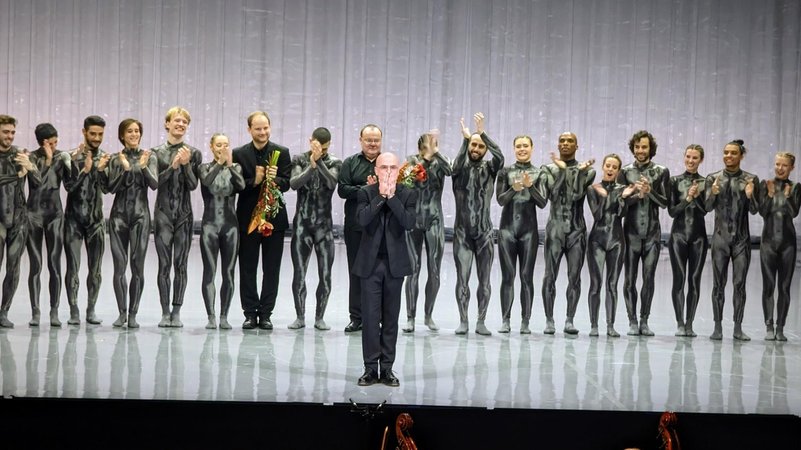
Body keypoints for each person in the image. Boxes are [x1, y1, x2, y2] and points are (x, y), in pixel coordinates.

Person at [352, 152, 416, 387]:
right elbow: (361, 221)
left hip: (394, 265)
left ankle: (387, 368)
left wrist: (392, 199)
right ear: (376, 170)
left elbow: (409, 222)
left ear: (398, 171)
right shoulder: (365, 193)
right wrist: (380, 197)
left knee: (390, 319)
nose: (388, 171)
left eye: (392, 167)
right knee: (369, 318)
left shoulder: (407, 193)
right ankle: (370, 368)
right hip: (370, 265)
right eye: (383, 167)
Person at [233, 111, 291, 330]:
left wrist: (273, 178)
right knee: (247, 267)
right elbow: (235, 185)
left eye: (265, 127)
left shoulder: (281, 152)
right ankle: (249, 313)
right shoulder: (239, 154)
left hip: (274, 219)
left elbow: (286, 184)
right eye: (258, 128)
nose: (263, 132)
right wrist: (254, 180)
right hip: (248, 218)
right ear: (249, 130)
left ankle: (266, 313)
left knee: (271, 268)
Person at [452, 113, 504, 336]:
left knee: (484, 280)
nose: (476, 148)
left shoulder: (490, 168)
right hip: (462, 233)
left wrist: (482, 132)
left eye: (480, 146)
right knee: (462, 278)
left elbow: (500, 157)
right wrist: (465, 139)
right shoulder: (459, 169)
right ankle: (463, 320)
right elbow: (455, 165)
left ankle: (481, 320)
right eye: (473, 144)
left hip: (484, 233)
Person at [151, 106, 202, 327]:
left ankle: (177, 311)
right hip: (162, 214)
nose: (180, 125)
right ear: (167, 124)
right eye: (177, 121)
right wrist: (173, 167)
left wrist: (186, 164)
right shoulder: (155, 152)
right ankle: (164, 312)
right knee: (164, 265)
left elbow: (192, 185)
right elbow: (154, 184)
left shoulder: (194, 153)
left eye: (184, 122)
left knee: (180, 264)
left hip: (184, 215)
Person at [540, 132, 595, 335]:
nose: (565, 144)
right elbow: (552, 195)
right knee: (549, 276)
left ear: (576, 145)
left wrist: (578, 173)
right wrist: (562, 171)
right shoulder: (548, 169)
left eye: (570, 141)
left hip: (576, 231)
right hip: (555, 229)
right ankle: (549, 320)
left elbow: (576, 195)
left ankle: (569, 320)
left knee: (574, 277)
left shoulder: (588, 171)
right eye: (562, 141)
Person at [704, 139, 759, 341]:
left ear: (741, 155)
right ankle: (717, 327)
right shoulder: (713, 178)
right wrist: (713, 194)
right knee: (718, 284)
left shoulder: (751, 179)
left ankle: (737, 327)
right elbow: (707, 208)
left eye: (733, 153)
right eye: (726, 152)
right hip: (720, 239)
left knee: (739, 284)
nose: (728, 156)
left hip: (741, 240)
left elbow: (754, 210)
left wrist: (750, 195)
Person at [105, 119, 158, 328]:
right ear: (122, 135)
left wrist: (143, 168)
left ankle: (134, 314)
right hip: (118, 217)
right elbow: (110, 188)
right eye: (130, 131)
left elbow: (154, 184)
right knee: (120, 266)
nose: (134, 134)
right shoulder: (115, 159)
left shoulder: (149, 156)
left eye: (137, 131)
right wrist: (125, 170)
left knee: (137, 266)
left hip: (140, 217)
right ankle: (121, 313)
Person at [288, 127, 341, 330]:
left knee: (325, 274)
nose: (323, 151)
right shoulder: (299, 159)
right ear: (311, 141)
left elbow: (331, 183)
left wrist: (319, 161)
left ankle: (320, 317)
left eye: (325, 149)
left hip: (323, 226)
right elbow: (294, 183)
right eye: (320, 148)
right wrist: (311, 166)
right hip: (302, 224)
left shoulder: (334, 162)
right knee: (299, 273)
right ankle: (300, 316)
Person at [618, 130, 670, 336]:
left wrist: (650, 192)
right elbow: (620, 204)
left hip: (652, 235)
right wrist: (634, 195)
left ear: (651, 149)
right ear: (633, 148)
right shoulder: (625, 172)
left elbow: (665, 203)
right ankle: (632, 321)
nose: (640, 150)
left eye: (644, 147)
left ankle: (644, 320)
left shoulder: (661, 171)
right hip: (630, 234)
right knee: (629, 279)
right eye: (638, 147)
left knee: (648, 278)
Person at [495, 135, 546, 334]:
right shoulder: (505, 171)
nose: (522, 149)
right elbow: (500, 200)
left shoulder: (539, 172)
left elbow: (542, 203)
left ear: (532, 148)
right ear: (514, 148)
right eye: (518, 146)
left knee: (526, 276)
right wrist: (513, 189)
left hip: (528, 232)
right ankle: (505, 320)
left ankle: (525, 321)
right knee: (508, 276)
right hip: (507, 230)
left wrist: (530, 186)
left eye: (525, 146)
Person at [64, 115, 111, 325]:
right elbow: (69, 187)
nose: (96, 138)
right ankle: (74, 310)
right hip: (73, 220)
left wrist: (100, 170)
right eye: (93, 134)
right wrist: (86, 170)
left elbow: (107, 188)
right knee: (72, 267)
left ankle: (91, 309)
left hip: (96, 221)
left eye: (100, 134)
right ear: (84, 132)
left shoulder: (106, 158)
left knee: (96, 269)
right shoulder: (71, 157)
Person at [402, 130, 451, 333]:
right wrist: (425, 158)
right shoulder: (411, 161)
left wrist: (436, 154)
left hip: (434, 219)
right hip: (415, 219)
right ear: (419, 147)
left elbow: (450, 171)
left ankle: (428, 315)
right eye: (427, 145)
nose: (431, 148)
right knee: (412, 270)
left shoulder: (442, 161)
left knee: (434, 269)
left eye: (434, 144)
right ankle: (410, 317)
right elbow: (406, 181)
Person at [586, 154, 636, 337]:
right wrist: (606, 196)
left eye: (614, 167)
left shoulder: (624, 189)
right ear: (603, 167)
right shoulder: (593, 188)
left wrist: (623, 197)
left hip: (616, 240)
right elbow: (597, 215)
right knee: (596, 284)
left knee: (612, 284)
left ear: (618, 170)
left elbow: (622, 213)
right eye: (608, 165)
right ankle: (593, 325)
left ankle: (610, 325)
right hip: (597, 240)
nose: (610, 169)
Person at [338, 124, 382, 332]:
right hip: (355, 226)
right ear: (361, 140)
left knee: (378, 273)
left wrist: (375, 189)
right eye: (368, 140)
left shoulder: (387, 163)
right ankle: (356, 317)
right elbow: (342, 190)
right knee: (355, 272)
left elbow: (394, 189)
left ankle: (377, 317)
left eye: (376, 140)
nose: (372, 144)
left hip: (381, 227)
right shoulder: (350, 163)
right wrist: (367, 189)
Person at [199, 133, 245, 330]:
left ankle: (224, 316)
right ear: (212, 147)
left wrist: (230, 166)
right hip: (209, 225)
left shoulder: (236, 168)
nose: (223, 148)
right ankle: (211, 316)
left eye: (226, 145)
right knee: (210, 271)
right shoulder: (204, 167)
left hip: (230, 226)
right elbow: (208, 182)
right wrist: (219, 163)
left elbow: (241, 186)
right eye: (219, 145)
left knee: (228, 272)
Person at [26, 123, 70, 326]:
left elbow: (70, 185)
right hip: (34, 215)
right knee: (35, 265)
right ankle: (36, 311)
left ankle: (54, 310)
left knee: (54, 263)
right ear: (44, 142)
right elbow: (36, 184)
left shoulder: (62, 157)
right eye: (53, 140)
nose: (56, 142)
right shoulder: (32, 157)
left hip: (54, 215)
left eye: (57, 139)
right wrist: (48, 160)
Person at [0, 114, 41, 328]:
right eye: (5, 132)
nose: (9, 136)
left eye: (12, 132)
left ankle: (4, 311)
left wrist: (31, 168)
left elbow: (38, 183)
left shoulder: (19, 155)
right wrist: (18, 175)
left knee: (14, 267)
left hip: (18, 218)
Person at [757, 152, 800, 341]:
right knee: (768, 286)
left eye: (784, 165)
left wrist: (789, 197)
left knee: (784, 287)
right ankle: (768, 325)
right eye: (777, 164)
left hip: (788, 244)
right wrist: (770, 195)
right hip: (768, 243)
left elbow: (794, 212)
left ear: (791, 168)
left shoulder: (796, 187)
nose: (779, 168)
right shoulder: (766, 184)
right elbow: (762, 212)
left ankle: (780, 328)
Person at [667, 144, 708, 337]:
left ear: (701, 160)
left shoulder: (706, 181)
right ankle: (679, 323)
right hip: (678, 236)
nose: (691, 161)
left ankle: (690, 323)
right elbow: (672, 211)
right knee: (680, 279)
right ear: (684, 157)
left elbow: (706, 209)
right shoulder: (674, 181)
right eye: (688, 157)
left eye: (695, 158)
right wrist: (688, 199)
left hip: (699, 237)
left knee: (694, 280)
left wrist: (698, 197)